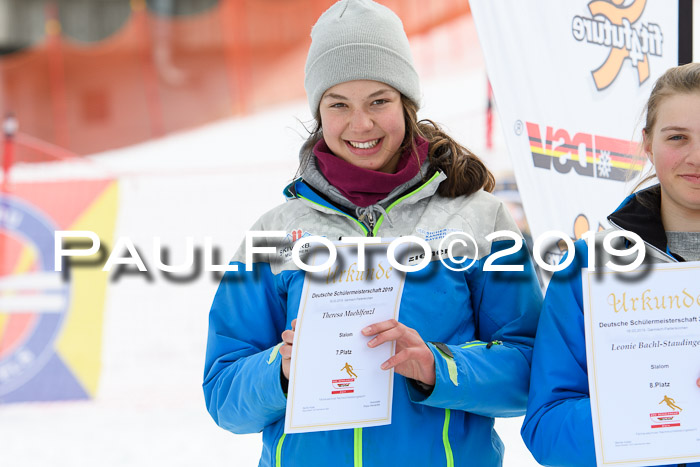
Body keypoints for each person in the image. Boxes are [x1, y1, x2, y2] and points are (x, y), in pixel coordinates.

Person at [203, 1, 542, 465]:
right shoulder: (276, 233)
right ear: (319, 112)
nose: (360, 124)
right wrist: (279, 371)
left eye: (379, 101)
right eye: (338, 104)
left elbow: (530, 369)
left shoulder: (478, 219)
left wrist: (437, 367)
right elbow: (223, 397)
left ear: (405, 104)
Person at [521, 62, 700, 467]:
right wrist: (646, 399)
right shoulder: (588, 268)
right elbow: (546, 430)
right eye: (678, 137)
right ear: (649, 145)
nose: (696, 156)